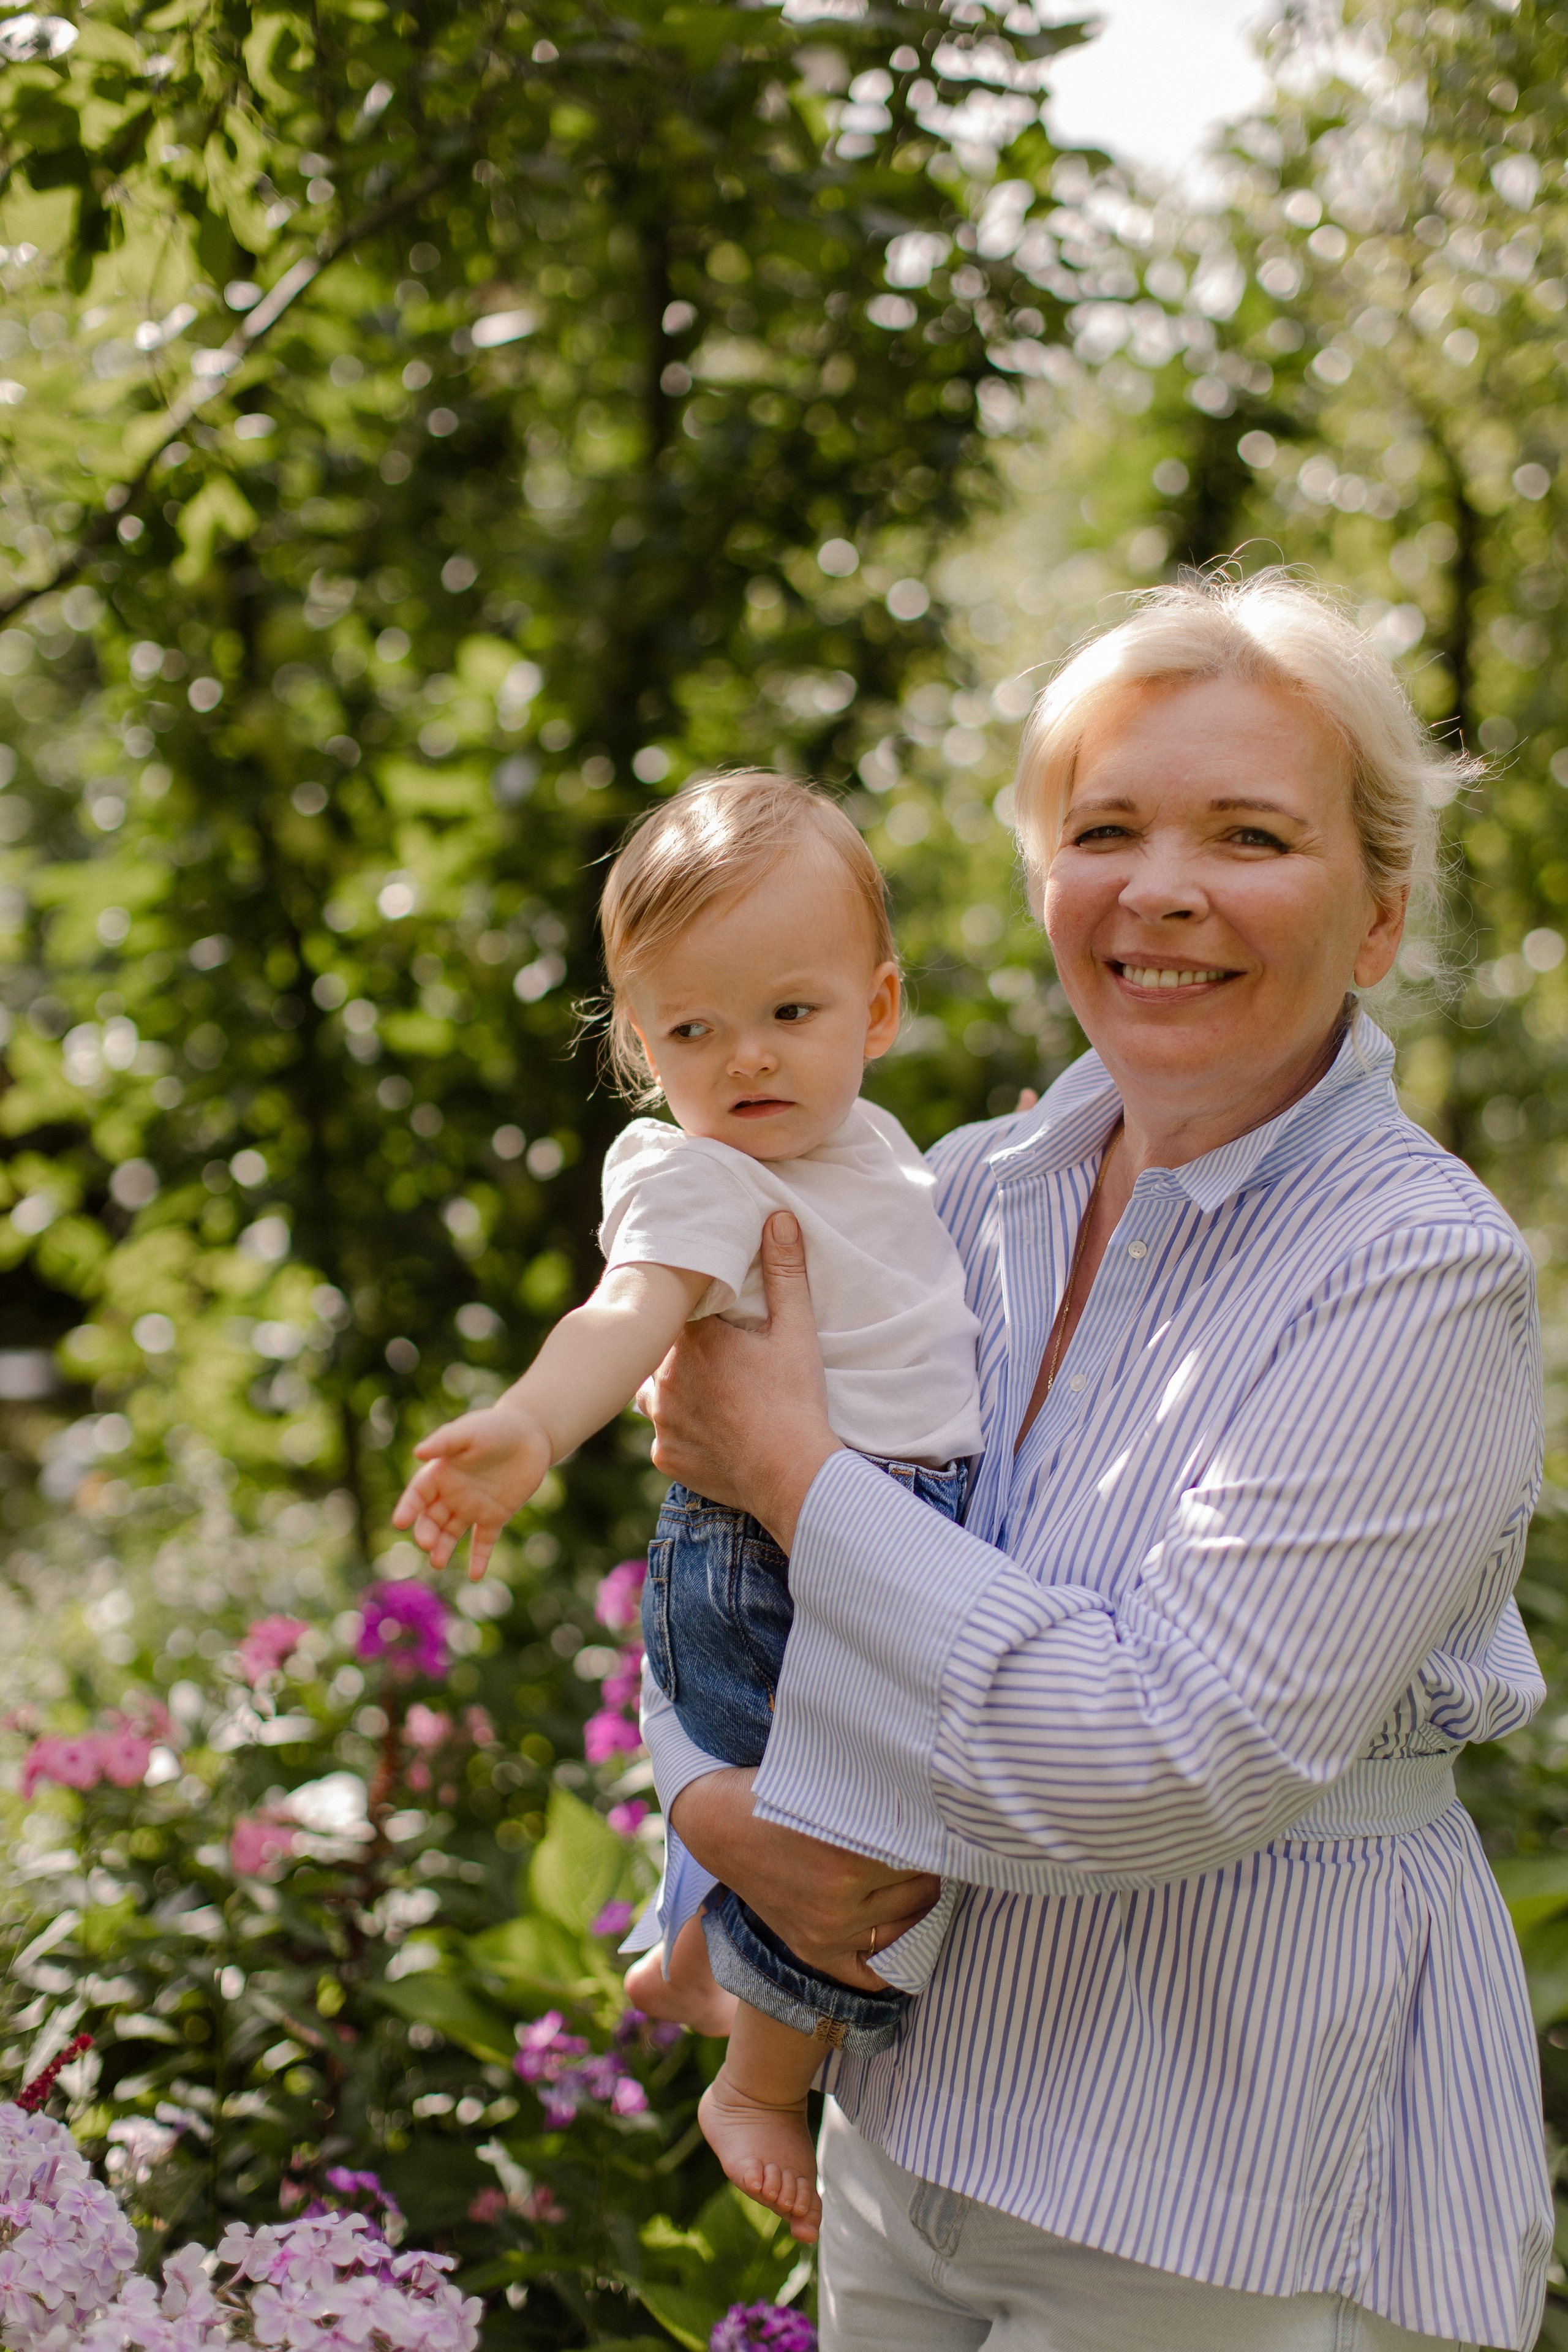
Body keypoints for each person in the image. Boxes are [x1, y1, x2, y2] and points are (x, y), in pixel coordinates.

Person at [638, 575, 1553, 2351]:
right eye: (1107, 826)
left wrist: (801, 1475)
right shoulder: (957, 1192)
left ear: (1378, 912)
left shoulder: (1416, 1271)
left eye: (1253, 834)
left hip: (1225, 2180)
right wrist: (711, 1811)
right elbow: (704, 1550)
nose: (1164, 888)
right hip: (908, 2126)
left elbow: (1163, 1762)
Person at [391, 772, 982, 2243]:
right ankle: (757, 2085)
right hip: (774, 1561)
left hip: (886, 1529)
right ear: (642, 1046)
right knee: (852, 1839)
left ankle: (696, 1947)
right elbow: (624, 1314)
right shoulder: (699, 1175)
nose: (747, 1061)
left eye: (790, 1013)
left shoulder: (882, 1152)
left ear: (879, 1006)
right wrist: (532, 1422)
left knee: (877, 1815)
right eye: (693, 1031)